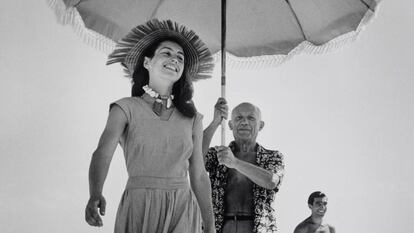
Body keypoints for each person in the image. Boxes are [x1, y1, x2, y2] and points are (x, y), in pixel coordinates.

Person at [84, 19, 216, 233]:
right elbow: (102, 153)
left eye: (180, 57)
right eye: (167, 53)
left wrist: (210, 225)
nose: (175, 60)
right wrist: (95, 192)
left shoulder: (193, 118)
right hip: (139, 204)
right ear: (147, 62)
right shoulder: (124, 108)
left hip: (182, 207)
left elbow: (199, 174)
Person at [203, 98, 285, 233]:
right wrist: (215, 123)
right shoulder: (219, 155)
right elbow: (193, 159)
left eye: (251, 118)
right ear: (230, 124)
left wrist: (234, 163)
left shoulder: (273, 157)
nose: (244, 122)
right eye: (239, 117)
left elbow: (271, 181)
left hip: (259, 228)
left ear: (261, 125)